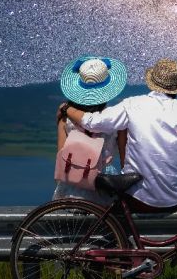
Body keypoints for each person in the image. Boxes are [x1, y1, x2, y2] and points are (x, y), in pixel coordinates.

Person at [60, 58, 177, 213]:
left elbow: (92, 122)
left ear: (152, 81)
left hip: (136, 199)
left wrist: (66, 109)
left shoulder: (132, 104)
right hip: (172, 201)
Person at [53, 55, 128, 205]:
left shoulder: (65, 115)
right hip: (102, 187)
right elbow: (125, 160)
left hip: (71, 187)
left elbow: (61, 153)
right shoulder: (115, 118)